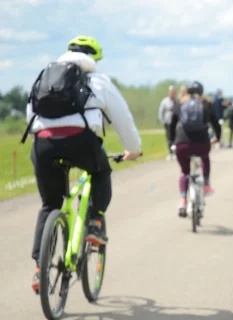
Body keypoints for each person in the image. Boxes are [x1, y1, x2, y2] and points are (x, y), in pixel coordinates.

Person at [24, 35, 142, 293]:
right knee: (100, 171)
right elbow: (122, 117)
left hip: (43, 144)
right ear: (94, 58)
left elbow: (30, 113)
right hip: (81, 141)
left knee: (49, 204)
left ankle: (38, 270)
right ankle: (95, 223)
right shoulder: (97, 80)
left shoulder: (46, 76)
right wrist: (133, 150)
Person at [168, 81, 221, 217]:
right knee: (204, 156)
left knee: (185, 172)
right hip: (202, 143)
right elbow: (215, 123)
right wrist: (217, 138)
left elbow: (171, 124)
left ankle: (182, 200)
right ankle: (207, 184)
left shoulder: (179, 103)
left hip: (182, 144)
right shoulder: (206, 103)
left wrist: (172, 142)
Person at [158, 85, 178, 160]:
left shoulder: (177, 101)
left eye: (173, 92)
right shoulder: (164, 101)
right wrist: (163, 121)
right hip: (168, 123)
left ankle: (175, 153)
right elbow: (161, 112)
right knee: (169, 138)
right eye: (171, 92)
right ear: (168, 92)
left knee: (176, 138)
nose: (172, 93)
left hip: (176, 123)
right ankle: (170, 153)